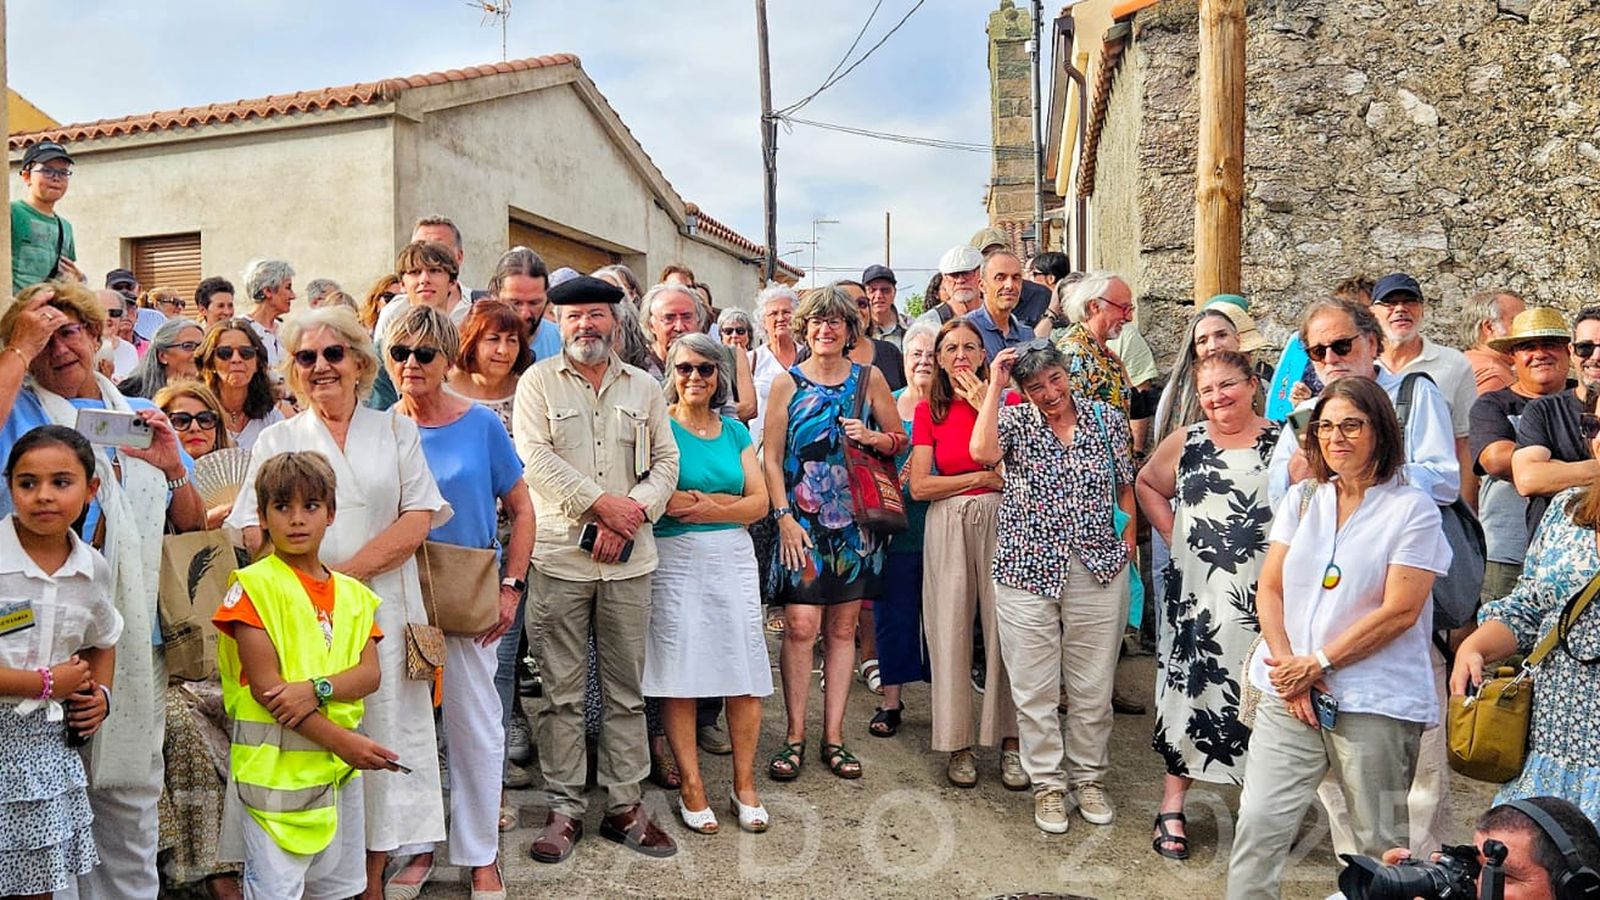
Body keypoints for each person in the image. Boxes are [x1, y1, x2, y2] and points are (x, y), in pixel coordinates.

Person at [225, 305, 449, 898]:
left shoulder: (396, 428)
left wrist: (338, 581)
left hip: (383, 608)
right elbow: (251, 525)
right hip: (298, 623)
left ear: (359, 362)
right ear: (293, 370)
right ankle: (305, 877)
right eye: (306, 357)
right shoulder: (278, 438)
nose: (321, 366)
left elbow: (419, 516)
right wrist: (299, 585)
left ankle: (368, 881)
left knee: (381, 731)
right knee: (312, 737)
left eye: (333, 354)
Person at [0, 282, 205, 898]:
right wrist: (17, 351)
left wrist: (172, 466)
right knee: (43, 808)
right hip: (34, 642)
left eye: (68, 331)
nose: (56, 348)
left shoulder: (134, 416)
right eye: (40, 338)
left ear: (97, 335)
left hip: (128, 640)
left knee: (127, 798)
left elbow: (191, 528)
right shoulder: (17, 406)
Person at [1226, 377, 1448, 900]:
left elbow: (1400, 610)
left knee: (1378, 848)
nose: (1336, 437)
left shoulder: (1412, 508)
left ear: (1381, 431)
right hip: (1292, 693)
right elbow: (1270, 588)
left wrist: (1319, 662)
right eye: (1325, 426)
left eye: (1351, 425)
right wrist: (1290, 668)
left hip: (1375, 698)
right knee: (1259, 823)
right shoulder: (1305, 498)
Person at [513, 274, 681, 863]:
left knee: (627, 693)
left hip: (630, 563)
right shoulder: (536, 384)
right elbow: (534, 459)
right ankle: (564, 809)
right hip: (560, 559)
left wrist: (630, 514)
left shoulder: (645, 388)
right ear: (558, 322)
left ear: (616, 321)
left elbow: (666, 459)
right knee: (559, 694)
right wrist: (603, 506)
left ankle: (624, 807)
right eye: (575, 316)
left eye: (597, 315)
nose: (586, 325)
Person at [386, 306, 532, 898]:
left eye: (424, 354)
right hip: (400, 594)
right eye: (400, 354)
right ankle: (417, 849)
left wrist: (511, 587)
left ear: (448, 359)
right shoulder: (381, 428)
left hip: (468, 588)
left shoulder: (482, 425)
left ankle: (480, 855)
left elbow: (522, 510)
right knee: (410, 725)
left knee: (477, 724)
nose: (412, 365)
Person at [213, 451, 396, 900]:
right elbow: (270, 690)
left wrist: (317, 690)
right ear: (262, 515)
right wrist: (345, 741)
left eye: (310, 507)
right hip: (274, 780)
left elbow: (369, 674)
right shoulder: (251, 586)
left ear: (330, 513)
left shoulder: (355, 595)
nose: (297, 520)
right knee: (276, 891)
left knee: (336, 891)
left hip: (337, 778)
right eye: (282, 507)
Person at [971, 341, 1134, 834]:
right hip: (1026, 567)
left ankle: (1088, 778)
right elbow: (981, 452)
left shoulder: (1106, 420)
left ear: (1068, 374)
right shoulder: (1016, 421)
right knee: (1034, 686)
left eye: (1055, 379)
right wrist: (997, 384)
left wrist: (1127, 543)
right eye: (1036, 385)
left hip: (1098, 565)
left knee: (1091, 685)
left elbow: (1124, 483)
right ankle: (1047, 783)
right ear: (1024, 390)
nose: (1049, 392)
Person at [1135, 350, 1279, 859]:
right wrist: (1176, 537)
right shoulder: (1188, 441)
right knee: (1190, 696)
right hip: (1197, 598)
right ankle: (1171, 805)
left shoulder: (1284, 442)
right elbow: (1147, 484)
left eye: (1228, 385)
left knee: (1260, 699)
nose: (1218, 397)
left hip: (1263, 598)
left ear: (1252, 385)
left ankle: (1259, 813)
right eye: (1208, 389)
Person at [763, 285, 907, 783]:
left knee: (843, 630)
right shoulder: (787, 383)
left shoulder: (869, 380)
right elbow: (770, 456)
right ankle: (795, 735)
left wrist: (873, 437)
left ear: (850, 331)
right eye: (817, 322)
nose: (826, 330)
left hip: (856, 525)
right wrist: (781, 514)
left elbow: (899, 439)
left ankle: (834, 736)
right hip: (801, 521)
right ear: (805, 329)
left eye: (836, 323)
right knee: (802, 626)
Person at [645, 333, 773, 835]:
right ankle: (692, 787)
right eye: (684, 368)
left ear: (719, 375)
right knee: (681, 671)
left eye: (704, 368)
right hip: (675, 559)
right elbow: (666, 502)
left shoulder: (736, 430)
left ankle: (745, 785)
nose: (694, 377)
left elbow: (759, 502)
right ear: (671, 375)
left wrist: (706, 505)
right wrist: (726, 507)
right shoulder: (660, 428)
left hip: (734, 558)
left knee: (743, 669)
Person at [0, 426, 119, 898]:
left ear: (91, 488)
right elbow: (53, 681)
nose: (43, 496)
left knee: (37, 876)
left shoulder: (91, 569)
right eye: (27, 483)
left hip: (45, 747)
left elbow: (105, 638)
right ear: (9, 486)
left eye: (61, 482)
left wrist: (101, 697)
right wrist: (46, 683)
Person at [908, 316, 1023, 788]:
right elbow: (920, 485)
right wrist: (977, 478)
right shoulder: (927, 412)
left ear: (984, 354)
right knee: (950, 627)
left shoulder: (1010, 402)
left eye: (970, 347)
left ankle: (1013, 742)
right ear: (936, 358)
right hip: (949, 519)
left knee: (1009, 629)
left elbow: (1019, 470)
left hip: (1004, 520)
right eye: (949, 347)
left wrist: (986, 403)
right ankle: (958, 743)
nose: (960, 355)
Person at [1470, 308, 1572, 601]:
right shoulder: (1494, 405)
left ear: (1568, 352)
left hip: (1582, 552)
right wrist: (1585, 464)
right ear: (1513, 357)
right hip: (1511, 554)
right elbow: (1497, 459)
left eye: (1549, 344)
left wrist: (1544, 467)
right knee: (1504, 643)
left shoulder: (1588, 399)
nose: (1539, 353)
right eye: (1527, 347)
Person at [872, 322, 938, 741]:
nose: (924, 363)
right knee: (893, 617)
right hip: (897, 529)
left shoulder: (953, 409)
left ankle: (946, 703)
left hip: (942, 527)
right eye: (916, 355)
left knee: (941, 619)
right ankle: (890, 702)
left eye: (932, 356)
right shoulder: (889, 405)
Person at [1370, 272, 1477, 505]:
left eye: (1409, 301)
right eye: (1389, 303)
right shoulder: (1363, 367)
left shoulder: (1454, 364)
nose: (1400, 309)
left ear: (1422, 310)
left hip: (1432, 500)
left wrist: (1467, 512)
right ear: (1372, 314)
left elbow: (1464, 442)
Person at [1512, 307, 1600, 536]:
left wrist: (1560, 470)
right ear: (1572, 351)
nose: (1595, 356)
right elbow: (1528, 479)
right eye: (1585, 348)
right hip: (1557, 559)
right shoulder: (1543, 411)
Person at [640, 282, 757, 421]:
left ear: (698, 321)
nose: (679, 327)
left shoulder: (712, 363)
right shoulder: (639, 366)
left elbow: (729, 417)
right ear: (651, 324)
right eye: (669, 318)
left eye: (686, 317)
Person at [194, 318, 287, 451]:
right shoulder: (194, 416)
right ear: (210, 362)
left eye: (246, 353)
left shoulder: (272, 419)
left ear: (257, 363)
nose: (236, 359)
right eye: (225, 353)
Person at [443, 299, 533, 434]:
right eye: (493, 339)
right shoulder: (440, 392)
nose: (503, 350)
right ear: (472, 343)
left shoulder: (529, 393)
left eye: (511, 340)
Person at [11, 140, 82, 292]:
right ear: (26, 176)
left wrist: (78, 280)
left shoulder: (66, 227)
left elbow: (66, 278)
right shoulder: (10, 213)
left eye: (63, 172)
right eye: (47, 170)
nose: (56, 178)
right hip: (13, 311)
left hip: (50, 311)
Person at [490, 247, 560, 362]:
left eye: (534, 303)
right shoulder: (471, 342)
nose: (525, 314)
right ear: (496, 294)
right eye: (515, 303)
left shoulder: (563, 343)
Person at [965, 251, 1032, 361]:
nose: (1009, 285)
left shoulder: (1026, 335)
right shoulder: (966, 330)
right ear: (982, 285)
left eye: (1016, 278)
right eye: (1000, 278)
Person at [118, 317, 205, 400]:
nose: (198, 353)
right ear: (162, 356)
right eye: (188, 346)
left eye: (203, 347)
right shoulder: (129, 393)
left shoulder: (212, 391)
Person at [1462, 290, 1526, 395]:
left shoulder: (1466, 361)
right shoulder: (1494, 378)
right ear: (1489, 328)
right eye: (1517, 322)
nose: (1525, 329)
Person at [240, 259, 296, 366]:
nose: (293, 296)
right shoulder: (241, 329)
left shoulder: (285, 332)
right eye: (288, 287)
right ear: (268, 291)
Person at [914, 246, 985, 328]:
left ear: (981, 273)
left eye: (967, 273)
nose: (960, 280)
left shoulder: (997, 316)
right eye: (953, 275)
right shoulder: (929, 323)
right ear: (944, 279)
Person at [98, 289, 143, 381]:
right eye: (101, 312)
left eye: (114, 313)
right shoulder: (84, 349)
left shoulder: (129, 350)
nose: (107, 317)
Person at [863, 264, 911, 348]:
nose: (878, 295)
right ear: (863, 294)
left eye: (885, 290)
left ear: (894, 293)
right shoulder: (855, 329)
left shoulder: (912, 327)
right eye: (872, 290)